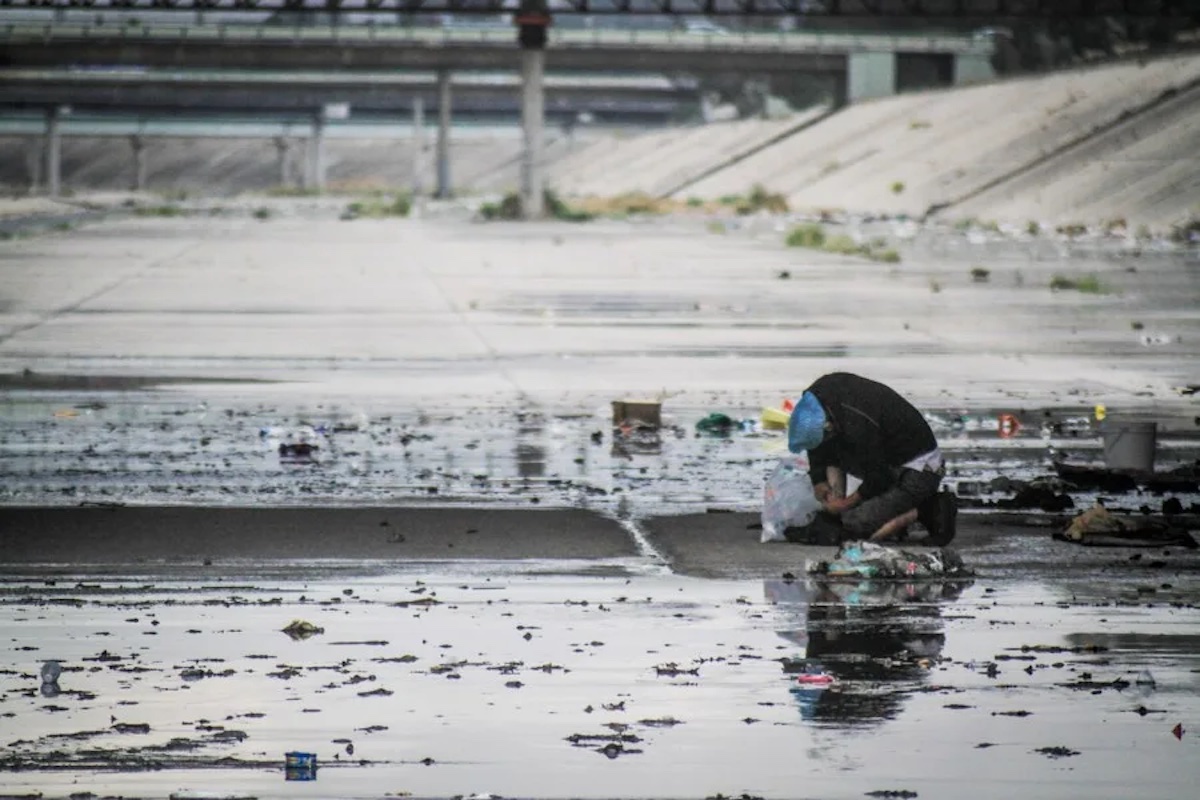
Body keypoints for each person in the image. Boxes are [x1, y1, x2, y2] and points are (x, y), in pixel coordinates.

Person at [787, 372, 956, 545]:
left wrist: (846, 504)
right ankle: (864, 510)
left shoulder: (859, 423)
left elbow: (879, 476)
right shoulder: (815, 401)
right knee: (843, 515)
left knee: (856, 523)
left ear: (828, 425)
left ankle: (929, 509)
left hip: (917, 471)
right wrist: (819, 481)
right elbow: (818, 445)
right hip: (885, 458)